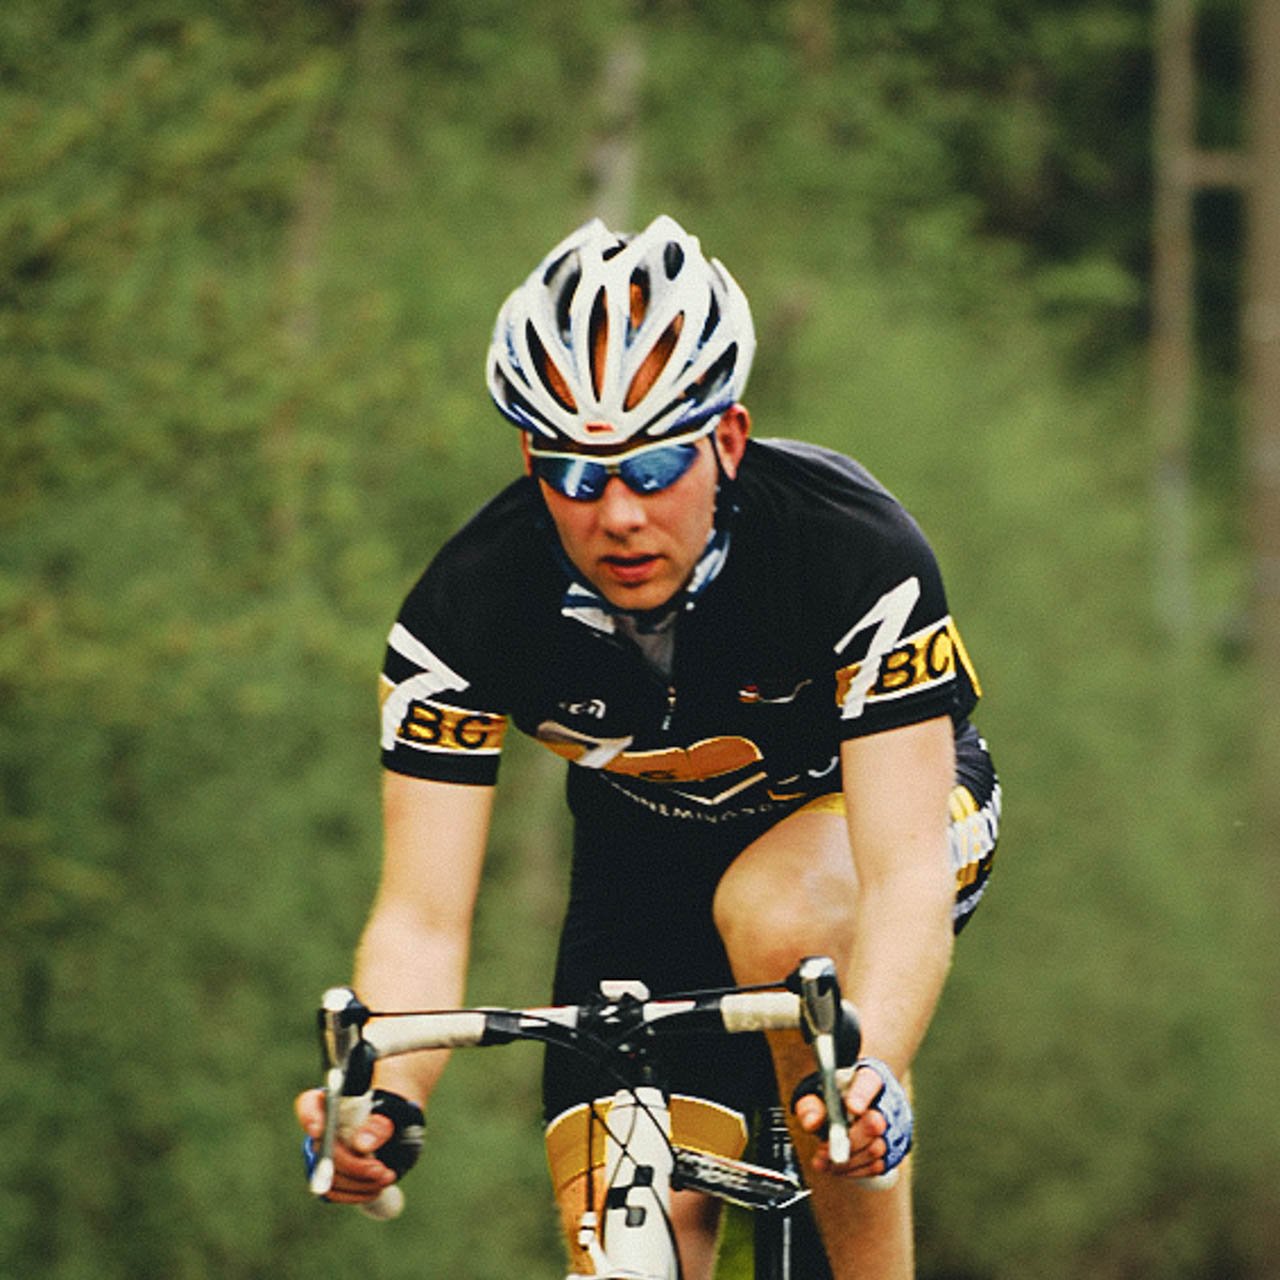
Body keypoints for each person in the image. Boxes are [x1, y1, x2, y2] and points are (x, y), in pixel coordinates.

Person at [295, 214, 1000, 1279]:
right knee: (628, 1252)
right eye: (576, 476)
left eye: (655, 465)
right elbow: (420, 916)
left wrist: (878, 1066)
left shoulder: (849, 547)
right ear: (529, 460)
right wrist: (384, 1095)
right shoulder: (466, 609)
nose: (618, 515)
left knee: (783, 918)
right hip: (642, 880)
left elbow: (902, 876)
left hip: (879, 825)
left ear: (727, 439)